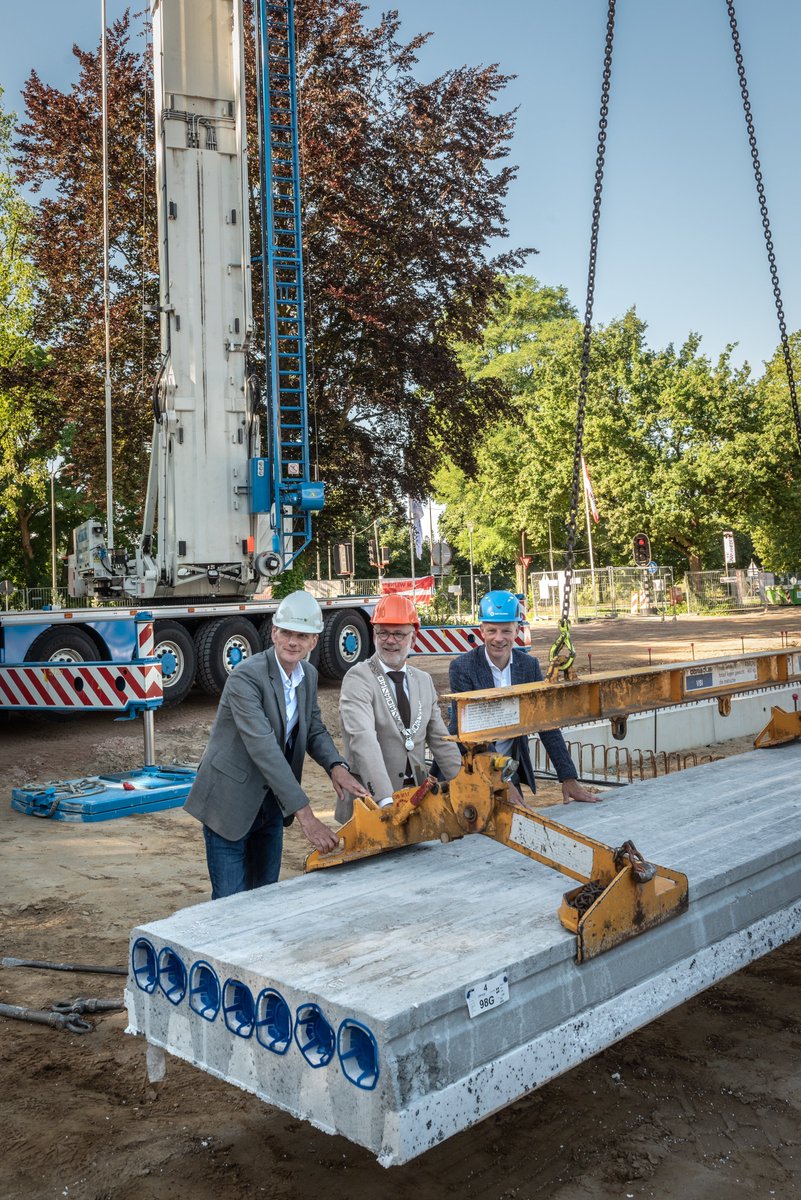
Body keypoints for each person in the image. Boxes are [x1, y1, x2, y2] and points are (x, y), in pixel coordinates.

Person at [185, 591, 367, 898]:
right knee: (230, 904)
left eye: (302, 635)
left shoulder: (307, 675)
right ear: (273, 633)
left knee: (265, 898)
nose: (293, 642)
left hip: (270, 804)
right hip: (229, 803)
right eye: (286, 633)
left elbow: (314, 730)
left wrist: (336, 766)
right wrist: (307, 817)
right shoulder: (246, 677)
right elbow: (264, 748)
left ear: (314, 640)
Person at [449, 590, 600, 805]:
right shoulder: (463, 668)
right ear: (481, 630)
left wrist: (568, 777)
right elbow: (464, 730)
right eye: (491, 630)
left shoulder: (528, 666)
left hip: (510, 770)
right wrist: (500, 780)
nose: (498, 638)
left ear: (517, 630)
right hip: (471, 771)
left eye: (506, 630)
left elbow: (546, 723)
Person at [337, 593, 463, 822]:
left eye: (398, 634)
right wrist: (386, 801)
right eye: (383, 632)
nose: (390, 640)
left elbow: (440, 741)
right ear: (374, 635)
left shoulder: (423, 680)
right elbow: (363, 739)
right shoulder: (358, 677)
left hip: (416, 801)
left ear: (413, 639)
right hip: (370, 805)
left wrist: (464, 786)